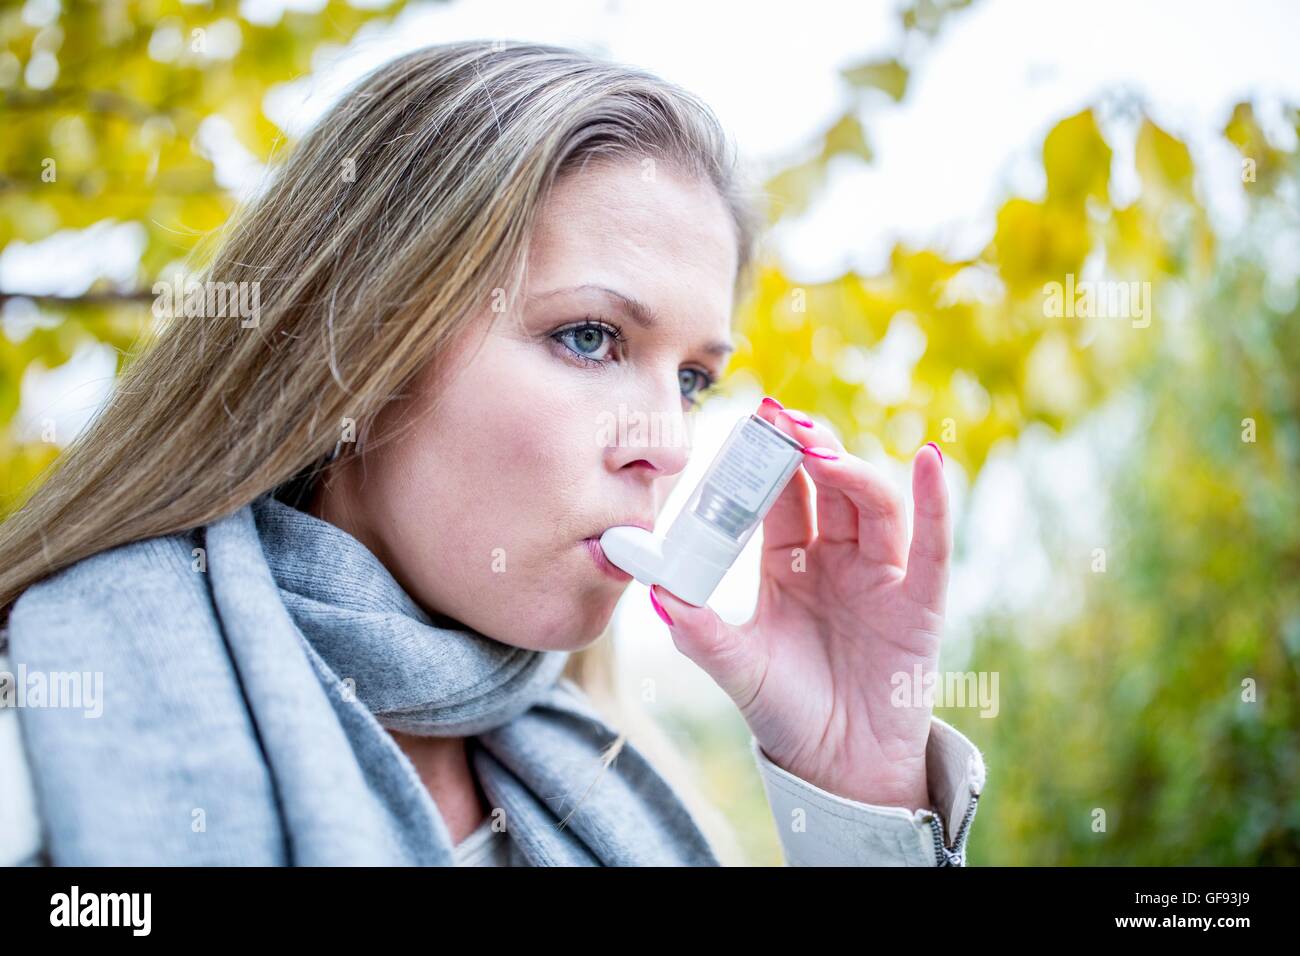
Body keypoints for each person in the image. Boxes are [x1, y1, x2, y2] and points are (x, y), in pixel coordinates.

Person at [0, 41, 984, 867]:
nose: (668, 446)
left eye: (691, 378)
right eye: (591, 337)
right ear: (365, 341)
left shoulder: (635, 803)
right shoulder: (37, 733)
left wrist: (855, 792)